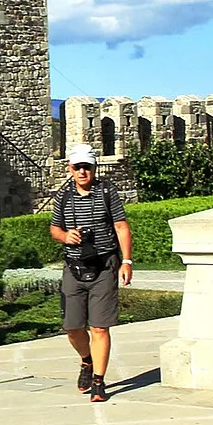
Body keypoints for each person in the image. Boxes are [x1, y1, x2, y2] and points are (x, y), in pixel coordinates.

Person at [49, 144, 132, 403]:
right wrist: (65, 236)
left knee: (99, 327)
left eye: (87, 166)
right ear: (70, 169)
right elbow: (54, 229)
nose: (82, 171)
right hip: (73, 267)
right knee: (73, 328)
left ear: (94, 168)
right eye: (77, 167)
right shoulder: (63, 196)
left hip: (104, 266)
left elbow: (121, 226)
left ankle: (98, 381)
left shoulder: (107, 192)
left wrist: (126, 261)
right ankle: (87, 361)